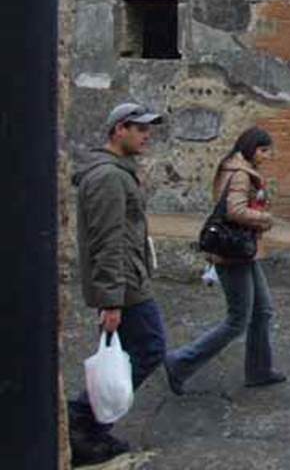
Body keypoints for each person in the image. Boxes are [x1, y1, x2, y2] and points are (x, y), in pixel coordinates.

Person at [68, 103, 167, 466]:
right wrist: (111, 301)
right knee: (151, 349)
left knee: (117, 358)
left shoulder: (119, 173)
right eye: (139, 129)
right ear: (118, 130)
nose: (146, 136)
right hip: (125, 286)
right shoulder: (109, 177)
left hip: (129, 280)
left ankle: (89, 430)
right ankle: (81, 419)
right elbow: (107, 240)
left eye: (147, 129)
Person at [164, 127, 285, 392]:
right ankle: (179, 362)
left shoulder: (233, 167)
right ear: (253, 149)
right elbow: (235, 210)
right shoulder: (241, 174)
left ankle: (259, 369)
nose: (267, 156)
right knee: (238, 320)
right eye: (264, 151)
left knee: (262, 311)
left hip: (243, 250)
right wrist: (266, 219)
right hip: (233, 252)